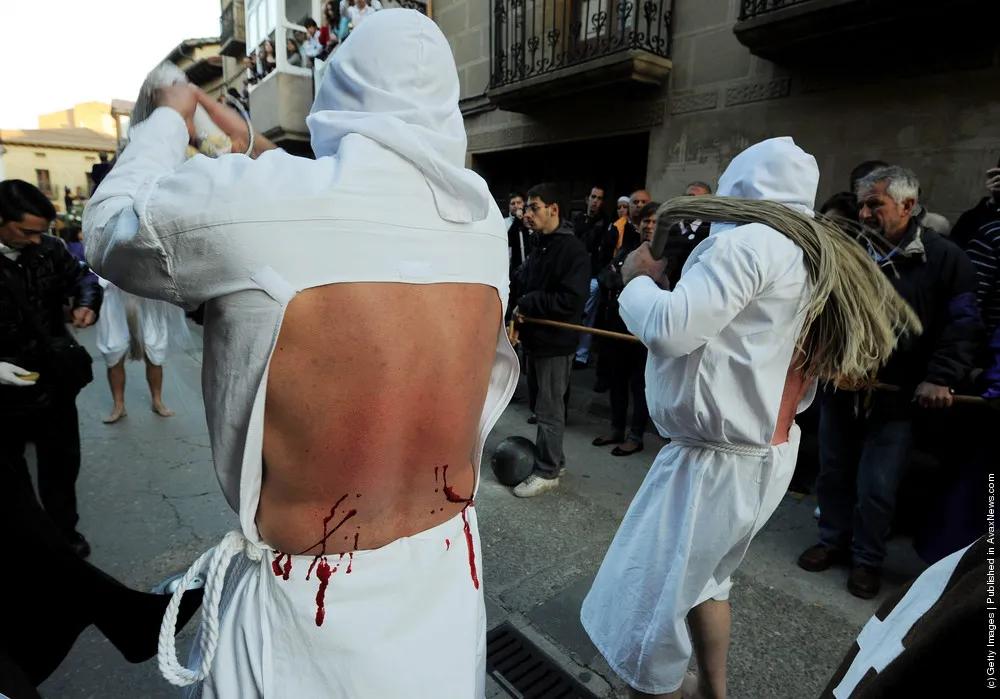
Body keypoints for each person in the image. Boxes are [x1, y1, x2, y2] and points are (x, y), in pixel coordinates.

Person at [83, 9, 517, 698]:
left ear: (339, 90)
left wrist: (168, 118)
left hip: (307, 622)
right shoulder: (486, 226)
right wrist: (238, 131)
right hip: (445, 585)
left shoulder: (263, 209)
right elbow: (335, 207)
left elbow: (107, 230)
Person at [580, 138, 920, 699]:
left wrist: (635, 279)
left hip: (716, 464)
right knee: (709, 586)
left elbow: (671, 329)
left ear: (741, 187)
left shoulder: (750, 244)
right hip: (768, 454)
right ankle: (715, 693)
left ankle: (674, 692)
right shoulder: (811, 253)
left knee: (645, 623)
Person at [798, 166, 981, 599]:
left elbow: (964, 323)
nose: (863, 213)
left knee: (877, 485)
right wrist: (823, 355)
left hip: (898, 396)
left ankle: (866, 559)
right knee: (833, 472)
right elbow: (822, 307)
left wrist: (940, 377)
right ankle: (831, 542)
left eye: (874, 204)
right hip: (843, 387)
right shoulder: (848, 251)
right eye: (861, 204)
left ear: (908, 205)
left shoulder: (945, 257)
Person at [0, 179, 102, 559]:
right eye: (27, 231)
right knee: (12, 475)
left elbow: (84, 275)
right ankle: (29, 540)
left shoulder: (50, 248)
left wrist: (87, 301)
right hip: (4, 395)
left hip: (54, 381)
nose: (35, 240)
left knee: (61, 465)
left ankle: (64, 534)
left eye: (41, 232)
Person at [511, 182, 590, 498]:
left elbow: (570, 300)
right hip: (536, 338)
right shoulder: (540, 244)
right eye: (527, 207)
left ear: (553, 209)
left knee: (549, 408)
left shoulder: (572, 251)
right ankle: (554, 459)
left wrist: (529, 301)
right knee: (539, 404)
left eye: (533, 207)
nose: (527, 214)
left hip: (556, 342)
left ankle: (547, 471)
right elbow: (526, 281)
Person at [591, 201, 660, 457]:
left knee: (639, 384)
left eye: (655, 222)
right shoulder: (629, 250)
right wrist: (621, 277)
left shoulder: (667, 254)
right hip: (617, 327)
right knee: (617, 380)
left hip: (642, 333)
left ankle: (636, 435)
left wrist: (624, 278)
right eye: (646, 221)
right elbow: (604, 276)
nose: (649, 227)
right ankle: (616, 428)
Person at [95, 278, 191, 423]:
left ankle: (157, 401)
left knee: (155, 348)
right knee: (113, 348)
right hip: (115, 296)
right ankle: (118, 406)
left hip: (150, 298)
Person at [572, 185, 608, 370]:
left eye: (599, 198)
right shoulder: (577, 220)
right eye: (593, 197)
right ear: (587, 199)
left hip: (593, 275)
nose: (595, 201)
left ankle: (582, 355)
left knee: (588, 317)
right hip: (574, 274)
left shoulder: (605, 222)